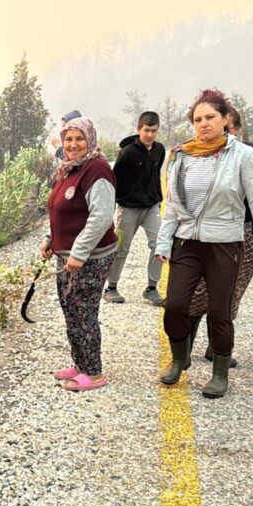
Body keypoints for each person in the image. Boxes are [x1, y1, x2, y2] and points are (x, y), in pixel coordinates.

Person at [156, 89, 253, 399]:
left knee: (220, 311)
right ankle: (179, 358)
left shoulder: (244, 156)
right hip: (186, 243)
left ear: (225, 119)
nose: (203, 124)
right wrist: (164, 242)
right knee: (175, 305)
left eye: (210, 117)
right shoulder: (181, 155)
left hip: (225, 244)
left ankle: (220, 374)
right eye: (197, 119)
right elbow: (174, 205)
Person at [188, 108, 253, 366]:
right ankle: (183, 349)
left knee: (229, 295)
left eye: (227, 129)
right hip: (207, 234)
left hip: (243, 235)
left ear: (234, 129)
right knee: (196, 292)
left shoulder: (250, 153)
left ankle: (217, 350)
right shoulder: (197, 153)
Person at [38, 116, 117, 391]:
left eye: (79, 139)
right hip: (68, 254)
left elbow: (101, 217)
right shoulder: (68, 168)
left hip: (90, 257)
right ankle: (80, 363)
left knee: (83, 312)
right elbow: (58, 209)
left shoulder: (97, 169)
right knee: (70, 308)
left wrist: (80, 252)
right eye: (68, 139)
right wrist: (50, 240)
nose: (73, 144)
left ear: (90, 140)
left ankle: (94, 373)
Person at [103, 111, 167, 306]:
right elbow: (114, 181)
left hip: (151, 207)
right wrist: (111, 209)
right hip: (128, 207)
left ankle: (152, 288)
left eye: (153, 131)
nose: (150, 134)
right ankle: (111, 288)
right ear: (138, 129)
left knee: (161, 244)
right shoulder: (128, 152)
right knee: (121, 247)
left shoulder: (159, 150)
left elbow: (156, 174)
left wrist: (157, 199)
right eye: (146, 130)